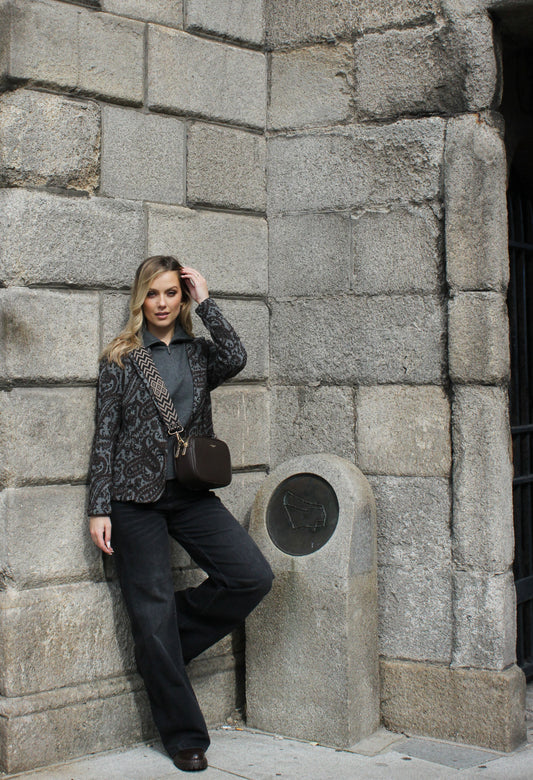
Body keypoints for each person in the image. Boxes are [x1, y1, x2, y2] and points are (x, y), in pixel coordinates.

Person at [88, 256, 273, 773]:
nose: (163, 303)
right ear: (140, 300)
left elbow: (237, 356)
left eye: (172, 293)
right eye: (154, 294)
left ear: (182, 296)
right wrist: (98, 508)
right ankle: (186, 737)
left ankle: (162, 647)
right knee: (149, 613)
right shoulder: (120, 359)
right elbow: (105, 436)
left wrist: (208, 300)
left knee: (251, 577)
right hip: (133, 500)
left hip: (191, 494)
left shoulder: (199, 355)